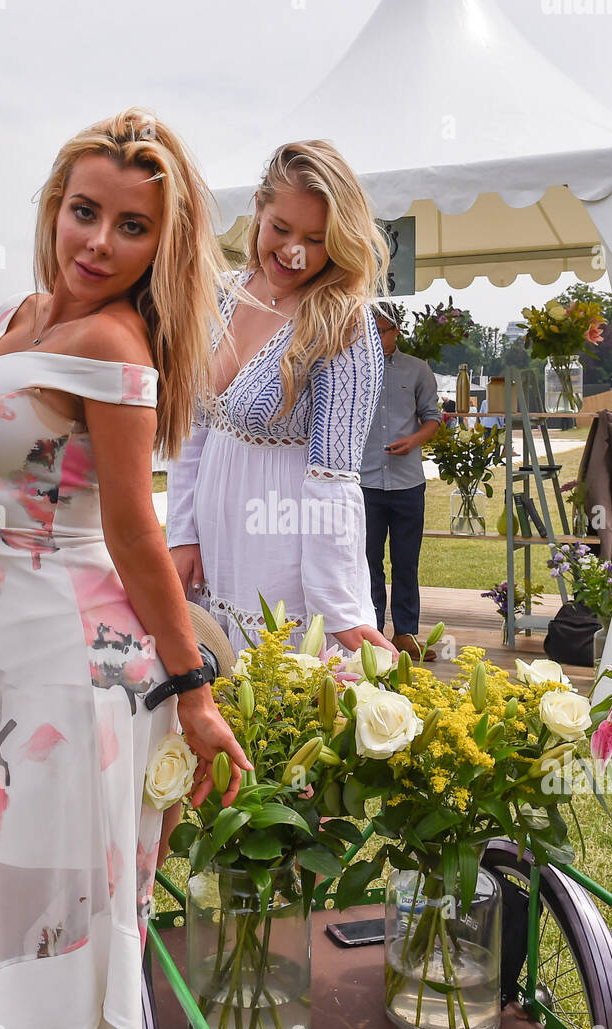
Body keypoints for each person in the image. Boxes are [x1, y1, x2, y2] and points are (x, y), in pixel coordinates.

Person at [0, 108, 251, 1029]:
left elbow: (133, 533)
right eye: (85, 211)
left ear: (166, 245)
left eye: (133, 227)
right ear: (54, 208)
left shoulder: (117, 348)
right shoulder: (20, 318)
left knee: (46, 897)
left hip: (74, 664)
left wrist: (194, 690)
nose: (99, 242)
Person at [165, 140, 394, 658]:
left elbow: (332, 480)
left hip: (285, 563)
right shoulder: (222, 294)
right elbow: (190, 429)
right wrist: (181, 534)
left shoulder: (343, 322)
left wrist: (337, 609)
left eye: (316, 239)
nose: (294, 252)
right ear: (257, 212)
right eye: (281, 229)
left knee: (278, 714)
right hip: (210, 558)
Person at [360, 301, 441, 660]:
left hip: (408, 483)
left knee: (406, 561)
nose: (376, 338)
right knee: (367, 561)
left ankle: (406, 634)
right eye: (370, 330)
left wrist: (415, 440)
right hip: (364, 483)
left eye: (383, 330)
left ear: (396, 331)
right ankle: (372, 633)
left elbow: (433, 418)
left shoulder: (417, 370)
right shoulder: (354, 370)